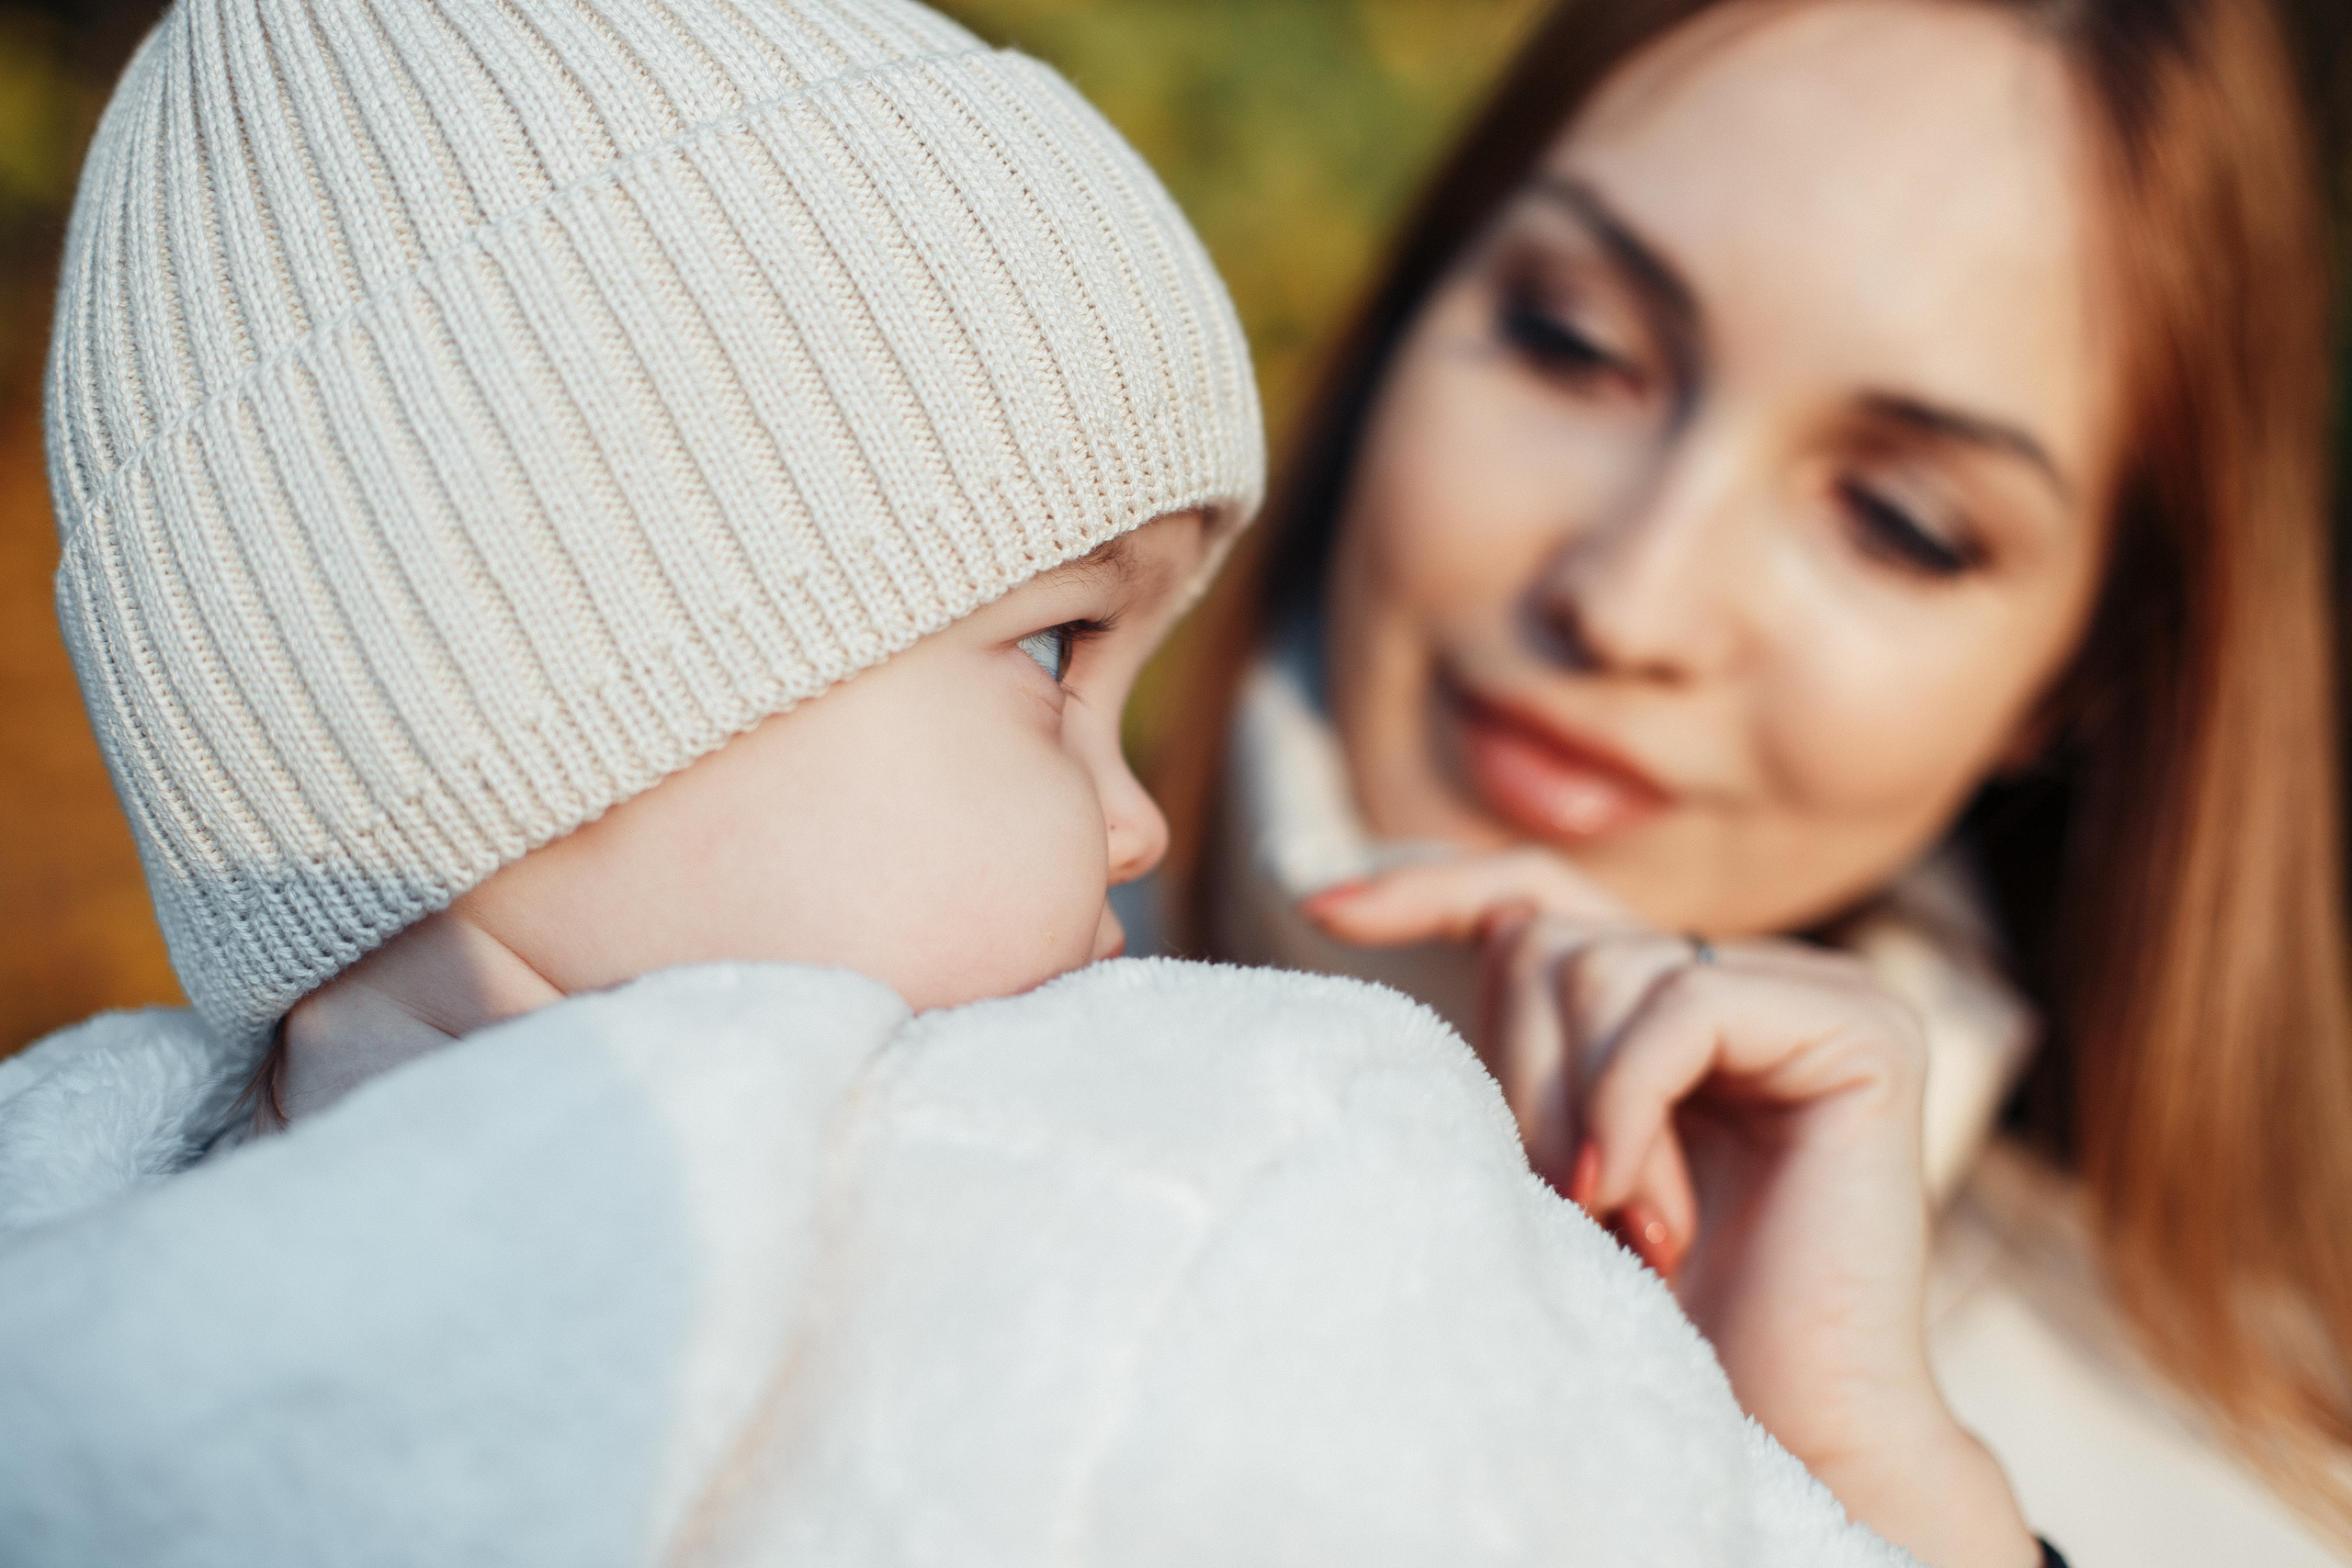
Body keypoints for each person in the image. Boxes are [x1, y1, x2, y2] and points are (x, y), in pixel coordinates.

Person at [0, 0, 1917, 1563]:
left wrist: (1862, 1446)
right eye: (1057, 653)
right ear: (541, 685)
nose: (1136, 821)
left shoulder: (90, 1297)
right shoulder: (1200, 1165)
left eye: (1903, 518)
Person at [1153, 0, 2352, 1561]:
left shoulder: (2244, 1498)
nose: (1631, 602)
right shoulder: (856, 1019)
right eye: (1574, 344)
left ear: (2078, 680)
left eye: (1901, 521)